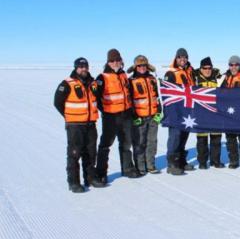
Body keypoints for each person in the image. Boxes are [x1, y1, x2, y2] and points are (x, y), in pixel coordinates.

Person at [54, 58, 106, 193]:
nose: (83, 69)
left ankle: (90, 178)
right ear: (76, 68)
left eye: (85, 66)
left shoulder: (93, 83)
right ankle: (73, 181)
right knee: (74, 153)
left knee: (90, 153)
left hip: (90, 124)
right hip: (75, 126)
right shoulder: (67, 83)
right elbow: (57, 102)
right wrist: (69, 117)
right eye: (81, 66)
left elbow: (98, 100)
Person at [95, 49, 141, 184]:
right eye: (112, 60)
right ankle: (101, 173)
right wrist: (105, 110)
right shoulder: (102, 78)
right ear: (108, 62)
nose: (115, 63)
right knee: (105, 144)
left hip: (125, 115)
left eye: (117, 60)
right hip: (111, 117)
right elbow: (95, 98)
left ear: (121, 61)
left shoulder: (124, 76)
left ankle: (127, 168)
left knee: (126, 143)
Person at [128, 55, 162, 175]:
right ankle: (140, 166)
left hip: (153, 116)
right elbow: (129, 101)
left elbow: (157, 97)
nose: (142, 67)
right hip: (139, 117)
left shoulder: (152, 79)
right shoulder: (131, 81)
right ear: (135, 67)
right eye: (139, 65)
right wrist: (134, 116)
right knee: (139, 142)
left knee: (152, 141)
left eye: (144, 65)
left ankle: (150, 165)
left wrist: (159, 111)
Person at [164, 48, 196, 175]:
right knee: (175, 136)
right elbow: (166, 93)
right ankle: (172, 163)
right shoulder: (171, 73)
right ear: (176, 58)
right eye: (180, 57)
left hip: (188, 110)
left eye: (185, 57)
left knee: (184, 136)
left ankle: (181, 160)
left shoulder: (190, 72)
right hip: (175, 110)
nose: (182, 59)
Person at [220, 55, 240, 169]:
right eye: (231, 65)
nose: (233, 67)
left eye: (236, 65)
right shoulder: (226, 79)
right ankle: (233, 160)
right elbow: (220, 94)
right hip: (228, 115)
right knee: (231, 139)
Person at [193, 57, 224, 169]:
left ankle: (215, 161)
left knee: (216, 138)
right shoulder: (195, 79)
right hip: (201, 114)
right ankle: (202, 162)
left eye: (209, 68)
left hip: (216, 114)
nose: (207, 70)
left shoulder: (218, 79)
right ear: (200, 68)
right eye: (204, 68)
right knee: (202, 140)